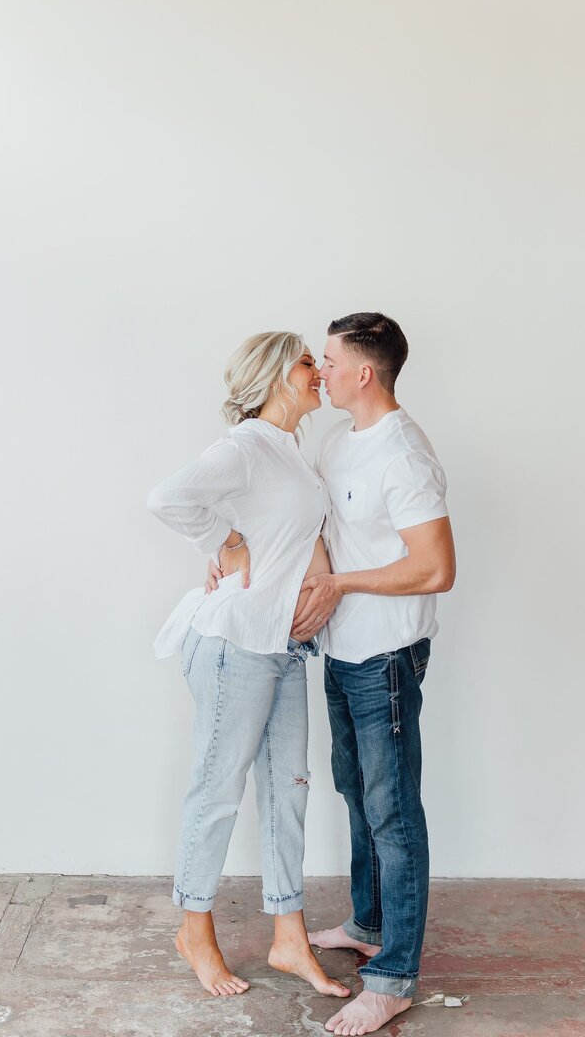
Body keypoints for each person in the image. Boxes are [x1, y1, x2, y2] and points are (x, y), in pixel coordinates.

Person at [210, 313, 455, 1035]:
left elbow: (436, 567)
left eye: (329, 360)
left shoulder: (403, 456)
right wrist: (235, 548)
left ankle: (393, 977)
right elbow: (310, 525)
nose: (320, 371)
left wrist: (342, 587)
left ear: (364, 373)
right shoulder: (338, 441)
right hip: (342, 653)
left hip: (385, 656)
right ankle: (370, 924)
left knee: (393, 810)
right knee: (357, 791)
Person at [147, 331, 350, 1002]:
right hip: (235, 644)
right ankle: (194, 928)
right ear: (274, 376)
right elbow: (168, 498)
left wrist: (317, 589)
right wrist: (224, 543)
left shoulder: (291, 453)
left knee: (289, 786)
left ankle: (289, 938)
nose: (318, 372)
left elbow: (300, 537)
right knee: (218, 786)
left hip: (282, 645)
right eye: (305, 364)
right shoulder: (245, 447)